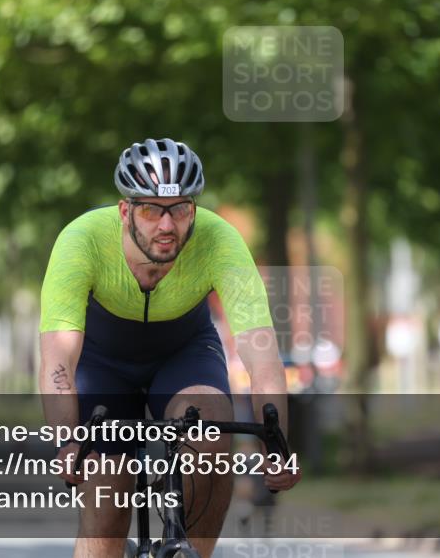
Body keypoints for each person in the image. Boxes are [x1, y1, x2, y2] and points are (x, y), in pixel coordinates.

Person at [38, 138, 300, 557]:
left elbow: (262, 356)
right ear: (125, 212)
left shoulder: (219, 240)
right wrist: (66, 442)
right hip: (102, 363)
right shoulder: (81, 241)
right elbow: (59, 360)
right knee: (107, 507)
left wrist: (278, 446)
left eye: (180, 209)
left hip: (184, 352)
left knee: (213, 427)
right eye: (150, 210)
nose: (167, 225)